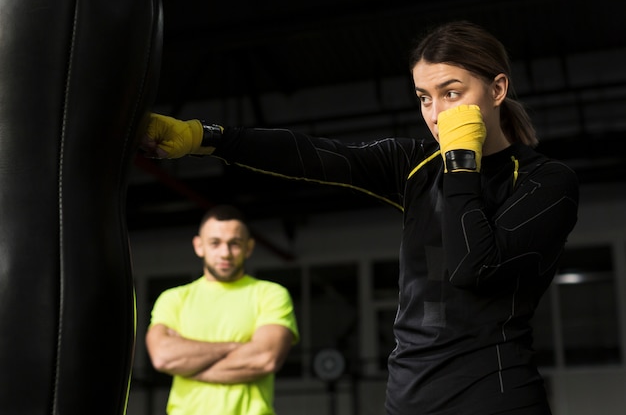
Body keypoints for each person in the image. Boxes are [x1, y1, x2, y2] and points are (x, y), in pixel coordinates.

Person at [142, 21, 579, 415]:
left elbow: (472, 266)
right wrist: (206, 137)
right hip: (407, 399)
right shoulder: (415, 168)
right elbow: (315, 156)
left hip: (494, 399)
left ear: (497, 90)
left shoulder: (545, 182)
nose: (436, 114)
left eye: (452, 93)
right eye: (425, 98)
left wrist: (461, 161)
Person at [145, 204, 299, 415]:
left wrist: (190, 368)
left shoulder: (271, 294)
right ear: (199, 246)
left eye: (234, 244)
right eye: (215, 243)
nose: (225, 253)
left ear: (249, 247)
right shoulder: (173, 299)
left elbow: (265, 359)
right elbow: (163, 356)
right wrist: (235, 347)